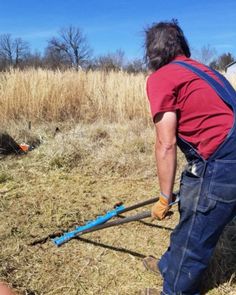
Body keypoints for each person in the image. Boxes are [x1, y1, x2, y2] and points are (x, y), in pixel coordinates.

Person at [142, 20, 236, 295]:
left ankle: (175, 291)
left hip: (222, 165)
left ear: (152, 53)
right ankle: (168, 265)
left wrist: (163, 196)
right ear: (182, 46)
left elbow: (166, 143)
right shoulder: (207, 72)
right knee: (192, 219)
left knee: (195, 236)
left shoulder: (162, 78)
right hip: (226, 158)